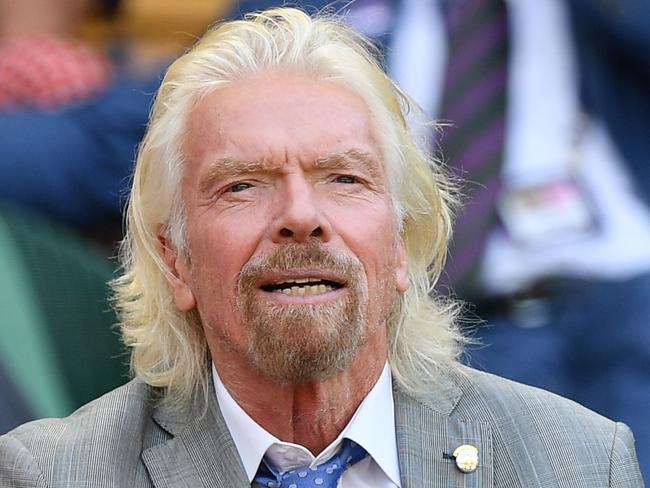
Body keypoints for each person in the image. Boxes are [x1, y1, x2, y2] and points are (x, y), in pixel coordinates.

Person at [0, 8, 644, 487]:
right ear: (174, 258)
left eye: (344, 178)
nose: (301, 216)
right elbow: (98, 145)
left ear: (404, 242)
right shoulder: (53, 474)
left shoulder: (588, 458)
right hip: (485, 317)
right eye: (244, 184)